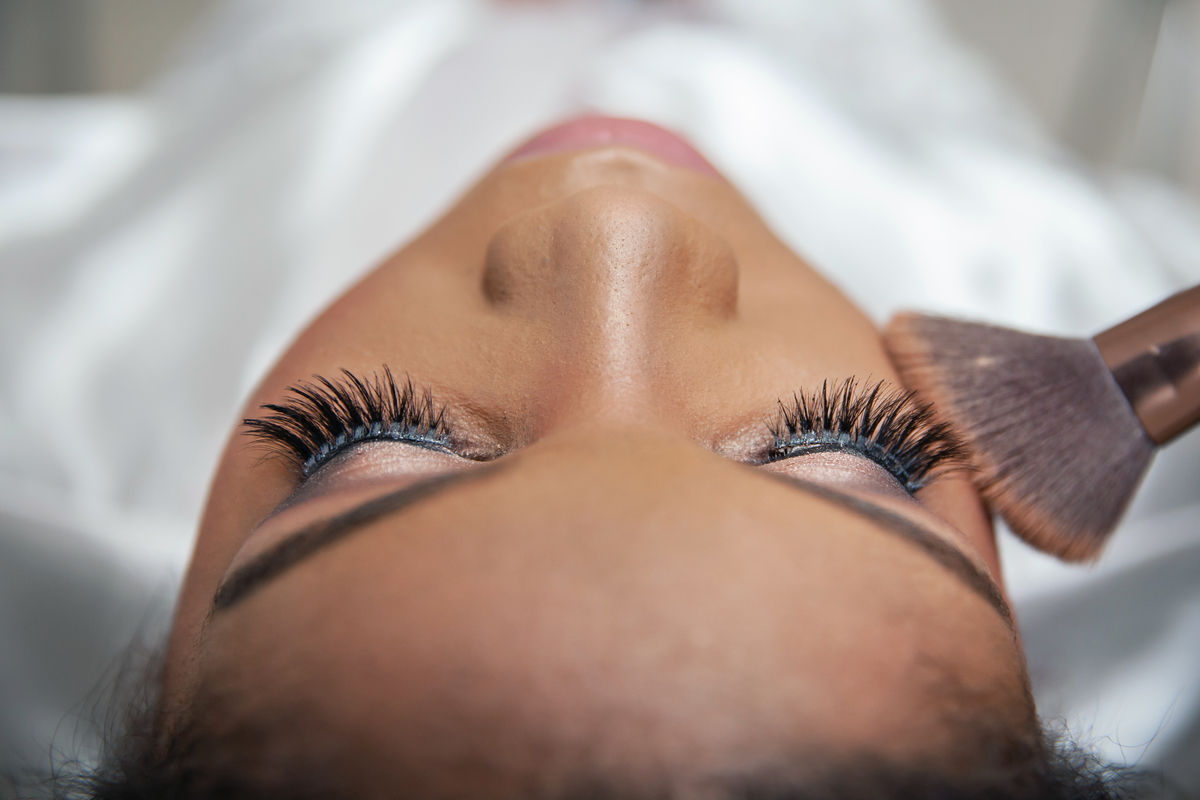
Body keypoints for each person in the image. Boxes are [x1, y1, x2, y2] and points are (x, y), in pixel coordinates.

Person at [59, 117, 1136, 799]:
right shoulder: (1068, 246)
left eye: (369, 446)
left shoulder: (68, 273)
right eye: (844, 459)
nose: (619, 226)